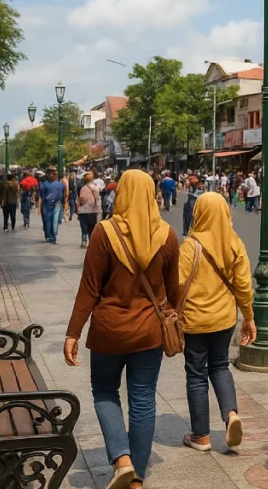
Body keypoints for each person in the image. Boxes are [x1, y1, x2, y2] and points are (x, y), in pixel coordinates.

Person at [63, 169, 180, 489]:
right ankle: (136, 479)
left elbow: (89, 288)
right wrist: (173, 317)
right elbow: (175, 289)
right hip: (149, 333)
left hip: (108, 331)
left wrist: (72, 333)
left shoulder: (104, 233)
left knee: (104, 392)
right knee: (143, 400)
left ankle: (121, 459)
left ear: (122, 193)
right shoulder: (166, 235)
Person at [181, 193, 257, 453]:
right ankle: (231, 415)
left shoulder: (190, 245)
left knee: (196, 374)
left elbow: (178, 284)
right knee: (220, 366)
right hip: (224, 319)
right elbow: (244, 286)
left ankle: (201, 436)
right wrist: (248, 316)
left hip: (194, 320)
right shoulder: (234, 243)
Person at [38, 167, 67, 244]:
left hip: (55, 204)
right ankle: (52, 237)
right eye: (50, 173)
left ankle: (52, 235)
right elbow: (42, 195)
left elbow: (63, 195)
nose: (51, 175)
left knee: (53, 221)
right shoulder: (44, 184)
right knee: (49, 221)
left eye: (53, 173)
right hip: (48, 205)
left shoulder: (60, 184)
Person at [77, 172, 102, 248]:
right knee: (92, 227)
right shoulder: (96, 188)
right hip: (93, 210)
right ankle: (92, 241)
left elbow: (81, 199)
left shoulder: (83, 188)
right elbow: (98, 198)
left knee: (84, 226)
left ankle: (84, 241)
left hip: (83, 211)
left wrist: (79, 205)